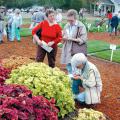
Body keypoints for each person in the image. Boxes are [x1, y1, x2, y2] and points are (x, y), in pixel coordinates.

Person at [61, 9, 87, 75]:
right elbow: (63, 38)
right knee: (69, 66)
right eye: (68, 20)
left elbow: (83, 39)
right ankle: (71, 81)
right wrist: (63, 37)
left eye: (71, 20)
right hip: (67, 48)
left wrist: (71, 39)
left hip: (76, 49)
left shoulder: (81, 26)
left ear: (75, 18)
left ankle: (76, 82)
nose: (69, 22)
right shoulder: (67, 25)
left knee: (76, 67)